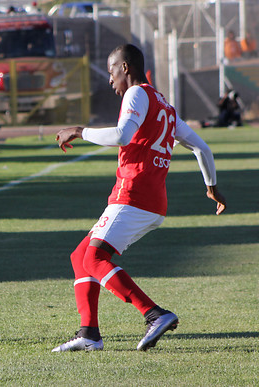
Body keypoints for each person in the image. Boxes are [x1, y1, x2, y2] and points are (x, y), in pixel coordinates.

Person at [52, 44, 227, 352]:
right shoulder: (166, 107)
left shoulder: (137, 94)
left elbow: (123, 135)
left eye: (111, 72)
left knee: (94, 258)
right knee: (80, 258)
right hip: (153, 201)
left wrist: (80, 131)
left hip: (133, 194)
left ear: (126, 68)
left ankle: (154, 314)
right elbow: (202, 148)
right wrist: (211, 186)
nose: (110, 80)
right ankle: (89, 333)